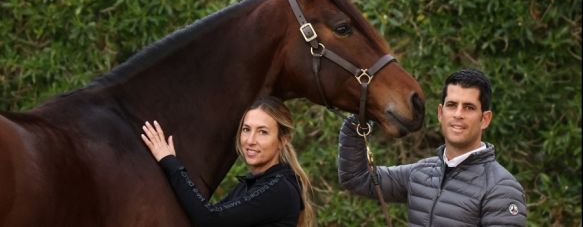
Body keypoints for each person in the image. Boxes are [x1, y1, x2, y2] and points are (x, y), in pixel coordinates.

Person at [337, 68, 527, 226]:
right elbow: (357, 178)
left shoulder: (501, 189)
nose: (458, 114)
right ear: (440, 113)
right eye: (452, 105)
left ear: (485, 119)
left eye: (469, 107)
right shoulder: (420, 173)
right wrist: (358, 121)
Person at [141, 96, 314, 227]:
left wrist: (170, 162)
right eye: (246, 130)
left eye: (262, 132)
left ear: (283, 140)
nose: (250, 140)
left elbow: (209, 220)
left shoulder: (279, 188)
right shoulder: (250, 185)